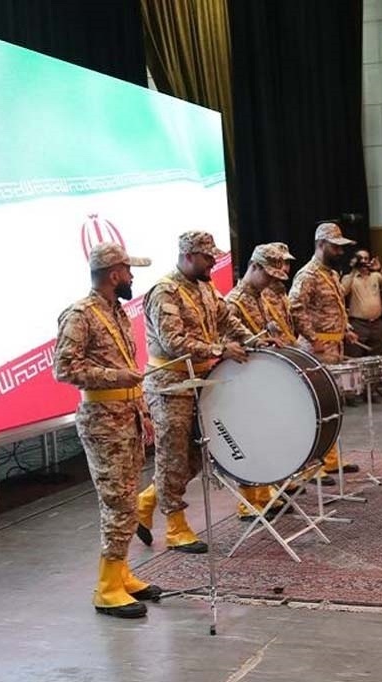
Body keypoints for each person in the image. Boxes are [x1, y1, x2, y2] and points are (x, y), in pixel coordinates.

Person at [54, 242, 162, 619]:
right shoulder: (80, 314)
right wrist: (116, 377)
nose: (132, 277)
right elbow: (64, 369)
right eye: (128, 271)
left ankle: (121, 574)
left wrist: (144, 413)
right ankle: (107, 589)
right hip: (103, 422)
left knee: (127, 501)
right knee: (118, 503)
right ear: (114, 274)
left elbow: (127, 364)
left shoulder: (116, 311)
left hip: (127, 417)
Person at [136, 231, 253, 554]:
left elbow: (227, 319)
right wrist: (219, 349)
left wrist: (251, 340)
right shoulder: (165, 292)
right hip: (170, 386)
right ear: (188, 256)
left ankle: (146, 501)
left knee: (197, 455)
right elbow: (173, 342)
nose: (213, 262)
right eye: (207, 257)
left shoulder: (205, 287)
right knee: (172, 456)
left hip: (201, 382)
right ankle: (175, 528)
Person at [224, 243, 294, 519]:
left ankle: (264, 494)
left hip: (260, 378)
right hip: (242, 379)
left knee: (264, 437)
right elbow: (227, 344)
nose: (270, 282)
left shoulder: (259, 297)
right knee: (248, 439)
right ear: (253, 267)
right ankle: (247, 502)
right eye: (267, 275)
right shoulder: (233, 302)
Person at [290, 222, 361, 479]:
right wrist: (311, 337)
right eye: (335, 247)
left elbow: (337, 308)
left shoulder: (330, 274)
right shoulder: (307, 275)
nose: (340, 252)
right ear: (321, 244)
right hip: (316, 350)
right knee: (314, 408)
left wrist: (346, 328)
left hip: (334, 347)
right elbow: (295, 306)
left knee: (331, 406)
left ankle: (329, 459)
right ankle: (311, 465)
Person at [341, 249, 382, 359]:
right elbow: (342, 291)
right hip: (358, 324)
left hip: (376, 324)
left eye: (366, 258)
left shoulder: (375, 276)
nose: (363, 261)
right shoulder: (349, 278)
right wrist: (354, 270)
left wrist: (380, 269)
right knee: (356, 355)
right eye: (360, 259)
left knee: (376, 356)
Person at [260, 242, 298, 347]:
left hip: (288, 350)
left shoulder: (281, 292)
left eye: (287, 263)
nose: (285, 268)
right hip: (271, 352)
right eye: (280, 263)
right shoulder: (260, 294)